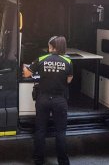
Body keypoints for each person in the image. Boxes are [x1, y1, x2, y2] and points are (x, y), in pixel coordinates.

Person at [23, 36, 73, 165]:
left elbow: (27, 74)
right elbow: (69, 80)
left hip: (43, 99)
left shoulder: (41, 59)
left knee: (40, 130)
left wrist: (25, 67)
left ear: (51, 47)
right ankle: (63, 161)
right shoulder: (68, 61)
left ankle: (38, 160)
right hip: (60, 100)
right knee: (61, 132)